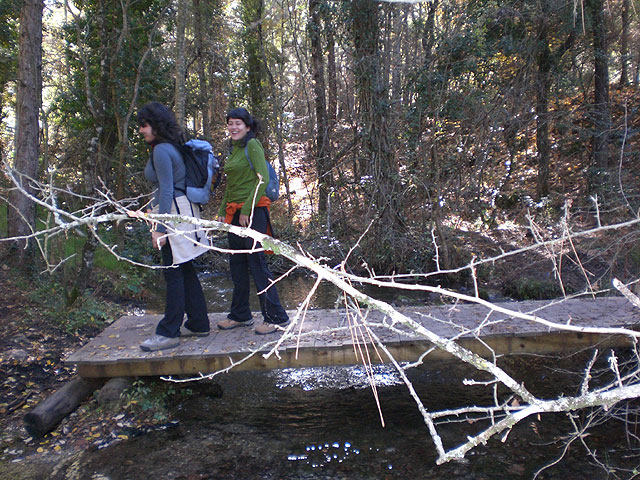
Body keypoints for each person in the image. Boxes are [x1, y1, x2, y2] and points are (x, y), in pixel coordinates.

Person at [137, 102, 210, 351]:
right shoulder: (172, 147)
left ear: (156, 125)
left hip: (174, 214)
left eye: (144, 125)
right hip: (184, 211)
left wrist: (160, 227)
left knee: (173, 271)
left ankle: (169, 332)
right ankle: (199, 323)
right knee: (185, 269)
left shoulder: (161, 150)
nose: (140, 130)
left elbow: (166, 189)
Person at [216, 108, 289, 335]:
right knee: (237, 264)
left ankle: (276, 317)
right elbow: (231, 185)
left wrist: (247, 208)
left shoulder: (252, 146)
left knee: (257, 263)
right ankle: (240, 315)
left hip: (254, 211)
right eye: (230, 123)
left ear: (247, 126)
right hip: (235, 214)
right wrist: (221, 210)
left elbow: (263, 177)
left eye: (238, 123)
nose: (233, 127)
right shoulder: (234, 150)